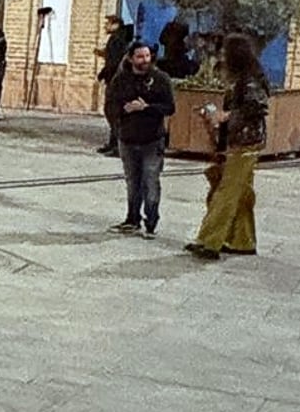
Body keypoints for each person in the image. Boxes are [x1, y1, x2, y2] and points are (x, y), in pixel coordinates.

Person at [188, 34, 270, 260]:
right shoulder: (242, 78)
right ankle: (243, 241)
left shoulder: (250, 81)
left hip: (246, 142)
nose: (222, 56)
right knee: (241, 192)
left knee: (226, 192)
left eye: (225, 52)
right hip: (237, 140)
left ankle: (209, 241)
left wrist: (226, 116)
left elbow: (258, 107)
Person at [106, 41, 175, 239]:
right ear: (130, 58)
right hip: (128, 138)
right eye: (140, 57)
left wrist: (147, 108)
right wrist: (122, 114)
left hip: (152, 140)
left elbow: (170, 107)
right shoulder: (121, 80)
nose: (145, 60)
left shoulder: (160, 79)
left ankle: (151, 222)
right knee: (132, 181)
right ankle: (132, 219)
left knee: (151, 180)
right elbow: (110, 105)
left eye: (147, 56)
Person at [94, 15, 134, 156]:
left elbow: (114, 61)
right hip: (115, 79)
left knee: (113, 112)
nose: (105, 26)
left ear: (116, 25)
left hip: (115, 81)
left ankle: (118, 145)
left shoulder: (117, 39)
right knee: (112, 112)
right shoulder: (119, 38)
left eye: (108, 23)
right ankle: (113, 143)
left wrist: (103, 74)